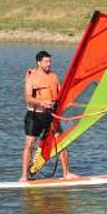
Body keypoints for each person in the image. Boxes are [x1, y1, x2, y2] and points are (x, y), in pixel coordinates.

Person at [20, 50, 76, 182]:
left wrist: (67, 101)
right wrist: (42, 102)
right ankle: (24, 176)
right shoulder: (31, 77)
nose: (49, 64)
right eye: (46, 61)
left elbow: (60, 93)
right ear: (38, 63)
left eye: (50, 61)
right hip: (35, 116)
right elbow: (27, 98)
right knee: (30, 144)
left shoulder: (53, 76)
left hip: (51, 116)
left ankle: (66, 173)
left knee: (61, 142)